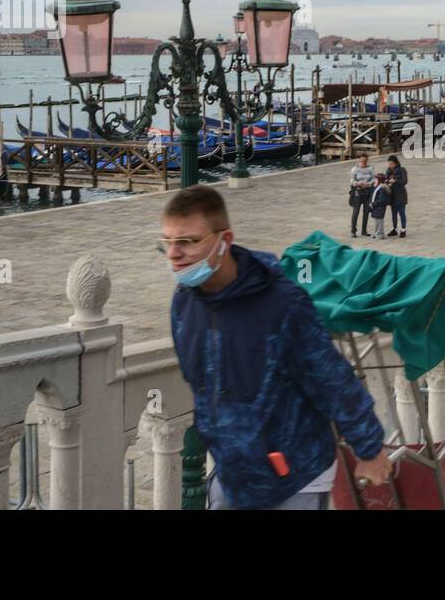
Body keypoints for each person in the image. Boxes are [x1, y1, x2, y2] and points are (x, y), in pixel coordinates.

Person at [162, 185, 390, 510]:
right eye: (167, 242)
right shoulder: (183, 304)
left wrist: (369, 449)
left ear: (224, 241)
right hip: (232, 476)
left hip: (295, 479)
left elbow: (332, 379)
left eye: (187, 241)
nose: (173, 253)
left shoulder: (283, 305)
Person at [349, 154, 374, 237]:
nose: (364, 162)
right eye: (362, 161)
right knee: (356, 212)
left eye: (365, 161)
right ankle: (353, 230)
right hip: (358, 192)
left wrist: (368, 184)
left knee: (366, 212)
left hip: (368, 192)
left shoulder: (370, 168)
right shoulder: (355, 169)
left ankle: (364, 230)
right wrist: (358, 183)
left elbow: (374, 179)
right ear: (359, 160)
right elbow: (352, 180)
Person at [385, 155, 408, 238]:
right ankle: (394, 228)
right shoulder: (388, 170)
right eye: (389, 164)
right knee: (393, 213)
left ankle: (403, 229)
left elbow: (405, 181)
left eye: (391, 164)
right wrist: (387, 181)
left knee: (402, 213)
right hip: (392, 195)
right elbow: (385, 179)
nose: (390, 165)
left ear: (396, 163)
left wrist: (395, 181)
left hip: (401, 194)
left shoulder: (402, 170)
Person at [367, 173, 390, 239]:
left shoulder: (382, 188)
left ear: (379, 180)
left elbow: (381, 199)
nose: (374, 180)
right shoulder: (376, 187)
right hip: (376, 207)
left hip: (380, 207)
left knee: (379, 221)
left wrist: (373, 204)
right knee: (376, 220)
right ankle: (377, 232)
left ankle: (380, 234)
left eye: (376, 179)